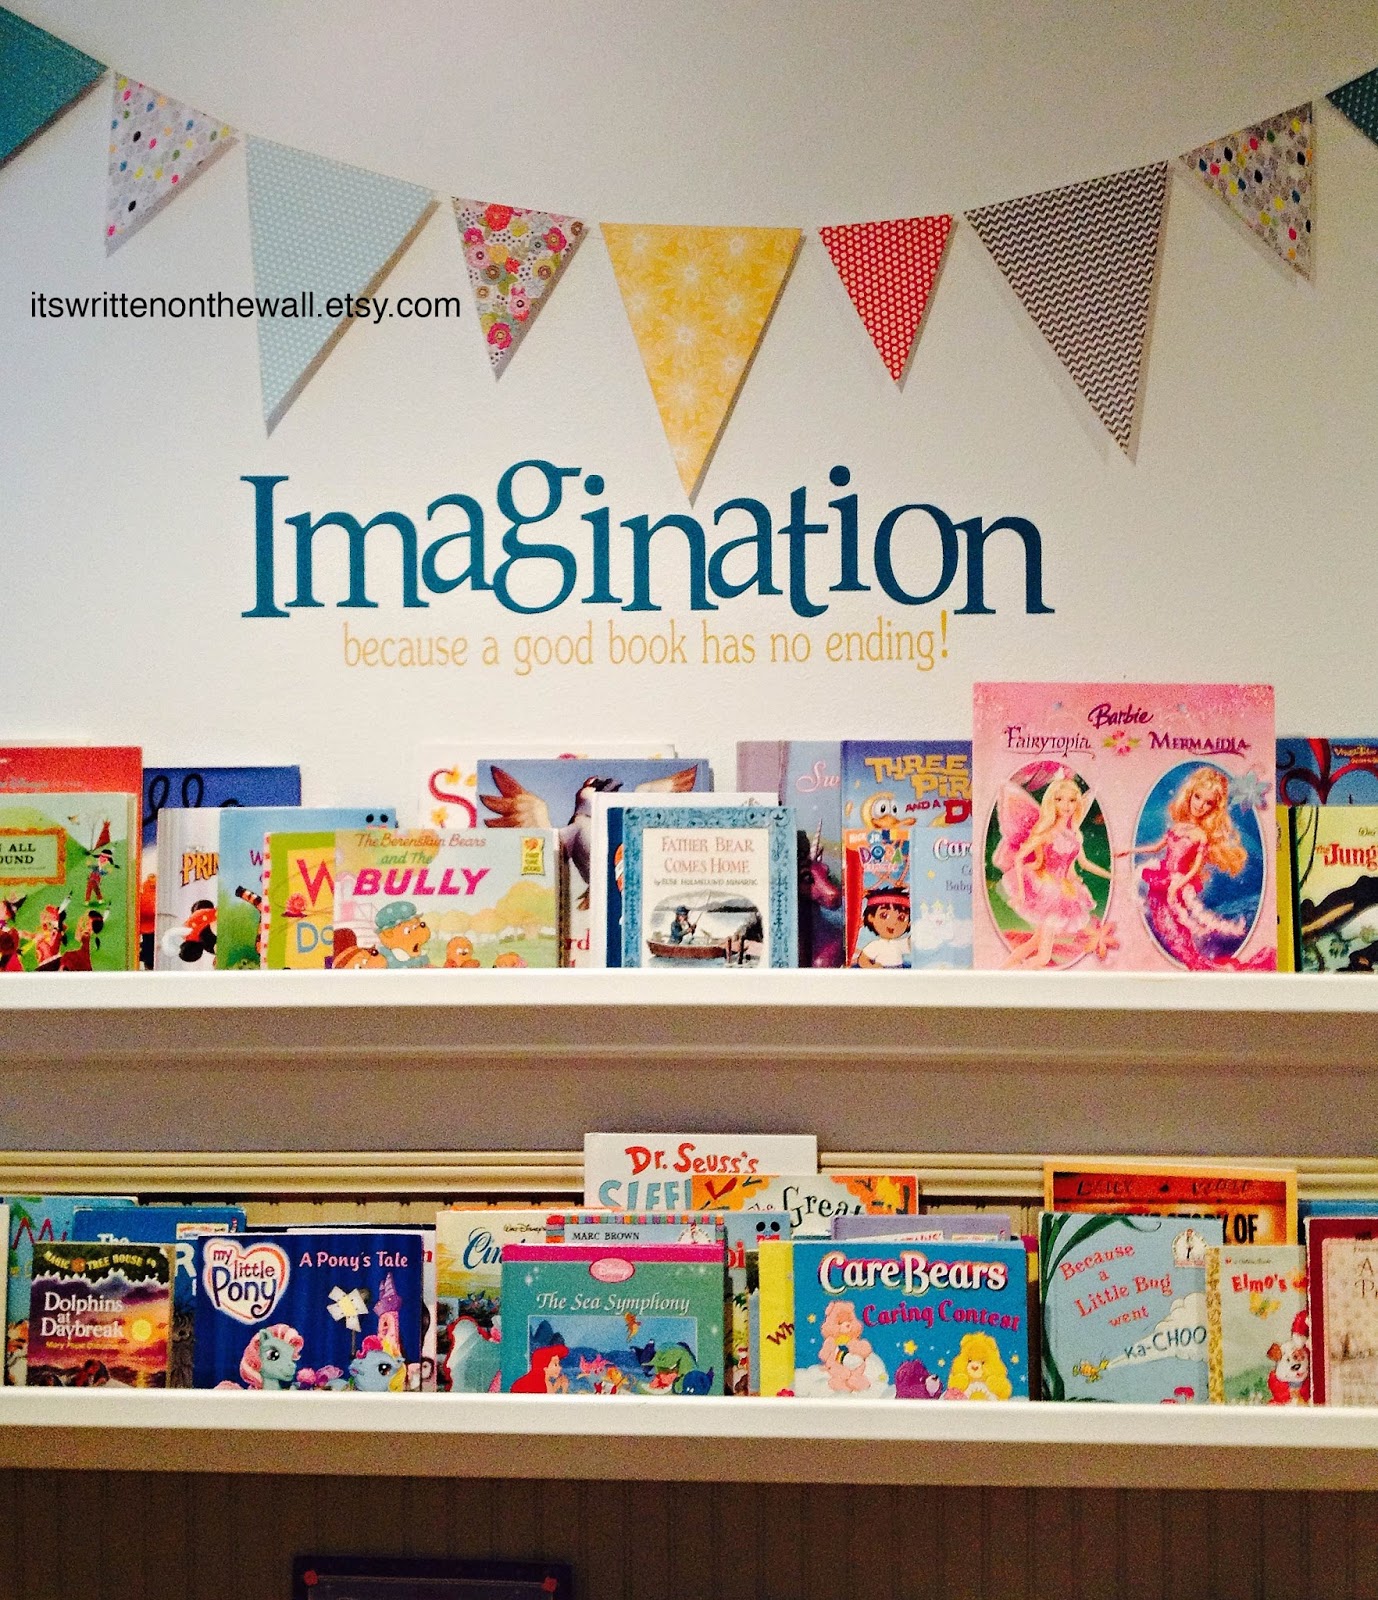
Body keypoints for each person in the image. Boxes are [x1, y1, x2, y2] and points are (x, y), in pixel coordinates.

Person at [1133, 765, 1248, 969]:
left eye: (1208, 803)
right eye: (1198, 797)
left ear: (1213, 808)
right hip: (1160, 882)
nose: (1200, 805)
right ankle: (1190, 963)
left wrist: (1177, 885)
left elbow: (1194, 868)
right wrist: (1128, 851)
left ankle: (1196, 964)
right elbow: (1156, 847)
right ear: (1189, 795)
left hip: (1176, 885)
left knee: (1176, 932)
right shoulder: (1178, 826)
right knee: (1162, 926)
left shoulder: (1200, 835)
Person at [994, 774, 1110, 969]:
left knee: (1034, 943)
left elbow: (1084, 863)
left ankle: (1002, 972)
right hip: (1047, 892)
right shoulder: (1046, 832)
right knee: (1043, 958)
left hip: (1065, 893)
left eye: (1071, 800)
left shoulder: (1075, 834)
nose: (1066, 805)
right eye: (1060, 799)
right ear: (1052, 802)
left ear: (1077, 803)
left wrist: (1113, 875)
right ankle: (1011, 976)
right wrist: (1021, 893)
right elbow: (1020, 858)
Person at [853, 886, 911, 968]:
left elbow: (912, 943)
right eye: (884, 915)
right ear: (871, 917)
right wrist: (872, 967)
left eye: (901, 918)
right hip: (881, 971)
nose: (893, 922)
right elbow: (863, 960)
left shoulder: (899, 943)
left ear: (908, 923)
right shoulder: (875, 945)